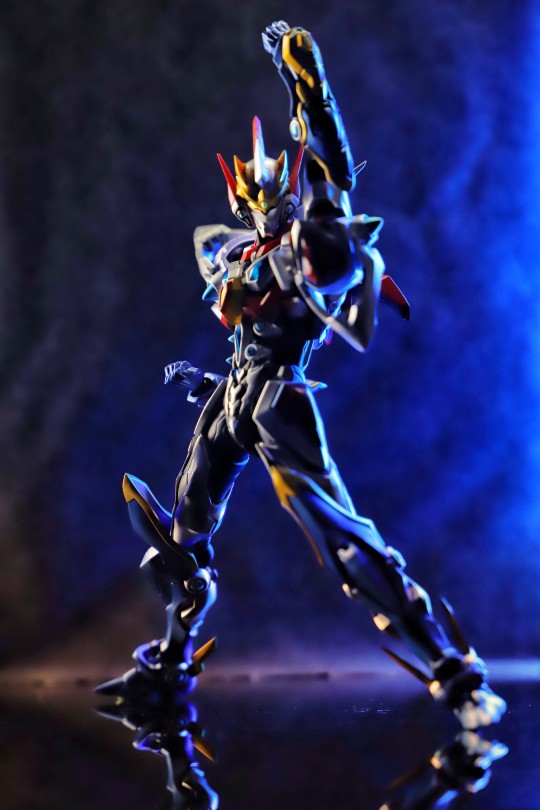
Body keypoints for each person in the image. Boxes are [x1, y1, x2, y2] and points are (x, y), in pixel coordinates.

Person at [97, 22, 505, 729]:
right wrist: (210, 380)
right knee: (181, 541)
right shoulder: (234, 250)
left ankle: (455, 673)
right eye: (250, 197)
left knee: (341, 534)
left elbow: (329, 168)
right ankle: (168, 664)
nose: (262, 203)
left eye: (273, 196)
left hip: (277, 398)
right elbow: (239, 311)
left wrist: (307, 84)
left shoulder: (305, 245)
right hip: (232, 397)